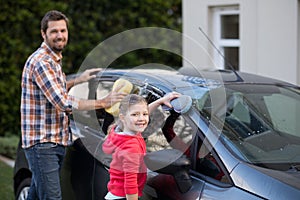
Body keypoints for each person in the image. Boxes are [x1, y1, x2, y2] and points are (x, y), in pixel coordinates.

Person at [20, 10, 126, 200]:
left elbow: (51, 89)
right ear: (43, 34)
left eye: (63, 30)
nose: (60, 35)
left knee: (35, 196)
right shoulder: (43, 62)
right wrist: (103, 102)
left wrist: (79, 79)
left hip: (52, 141)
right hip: (44, 144)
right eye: (54, 31)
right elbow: (63, 102)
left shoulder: (52, 60)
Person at [102, 93, 179, 200]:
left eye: (145, 114)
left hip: (115, 192)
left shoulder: (120, 130)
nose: (141, 119)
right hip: (125, 196)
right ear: (123, 118)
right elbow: (130, 184)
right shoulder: (131, 147)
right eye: (135, 115)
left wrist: (160, 101)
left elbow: (141, 113)